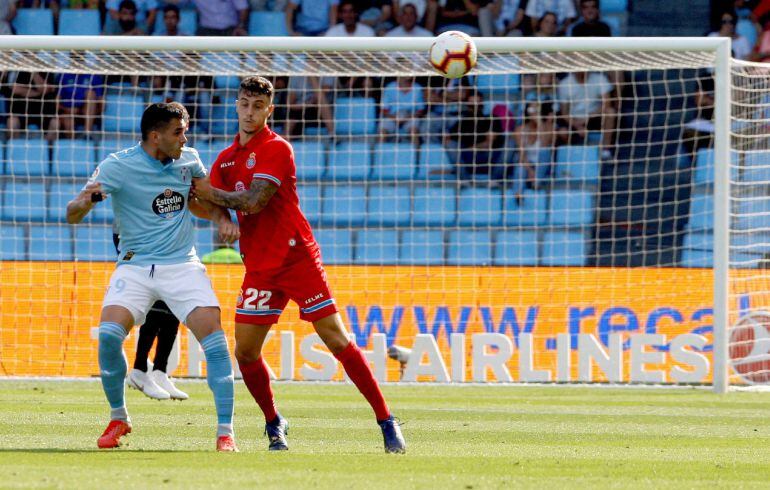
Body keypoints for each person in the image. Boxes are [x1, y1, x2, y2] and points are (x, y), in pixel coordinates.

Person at [192, 76, 406, 454]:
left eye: (258, 106)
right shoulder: (226, 159)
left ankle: (386, 421)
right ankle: (274, 423)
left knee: (336, 339)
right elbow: (213, 202)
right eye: (245, 103)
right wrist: (220, 216)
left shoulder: (277, 148)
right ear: (236, 105)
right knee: (244, 352)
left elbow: (254, 201)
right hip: (259, 265)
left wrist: (214, 196)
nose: (250, 111)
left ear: (269, 110)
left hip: (296, 258)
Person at [65, 102, 240, 452]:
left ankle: (225, 432)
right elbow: (72, 214)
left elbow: (201, 199)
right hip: (135, 265)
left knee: (217, 343)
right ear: (156, 135)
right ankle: (119, 418)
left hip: (182, 265)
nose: (185, 137)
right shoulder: (118, 165)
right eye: (178, 131)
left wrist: (221, 217)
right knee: (109, 337)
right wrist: (86, 202)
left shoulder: (189, 159)